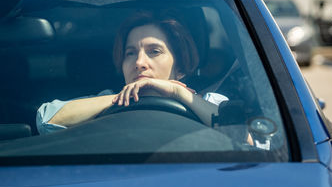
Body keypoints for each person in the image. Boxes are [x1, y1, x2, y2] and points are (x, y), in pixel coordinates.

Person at [36, 11, 228, 134]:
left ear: (180, 67)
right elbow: (47, 120)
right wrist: (122, 99)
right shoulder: (106, 102)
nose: (139, 62)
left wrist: (178, 93)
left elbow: (246, 139)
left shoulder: (209, 102)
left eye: (154, 51)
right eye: (130, 53)